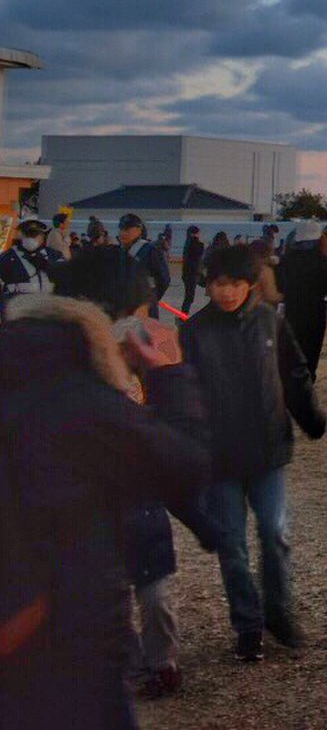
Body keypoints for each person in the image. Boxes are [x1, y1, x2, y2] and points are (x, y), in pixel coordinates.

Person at [0, 251, 211, 729]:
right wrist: (167, 374)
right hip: (67, 633)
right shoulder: (81, 396)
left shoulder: (18, 358)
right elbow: (183, 465)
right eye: (141, 315)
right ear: (114, 318)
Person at [182, 237, 327, 661]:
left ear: (250, 283)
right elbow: (183, 394)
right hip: (219, 457)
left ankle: (279, 614)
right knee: (231, 545)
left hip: (267, 450)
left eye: (234, 283)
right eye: (217, 284)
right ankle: (247, 626)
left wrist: (312, 419)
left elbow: (295, 374)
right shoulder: (193, 331)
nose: (225, 291)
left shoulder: (270, 323)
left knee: (275, 534)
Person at [276, 226, 327, 378]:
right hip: (316, 312)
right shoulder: (323, 262)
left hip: (292, 311)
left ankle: (291, 383)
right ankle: (307, 382)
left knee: (291, 351)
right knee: (311, 353)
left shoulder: (287, 261)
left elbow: (278, 287)